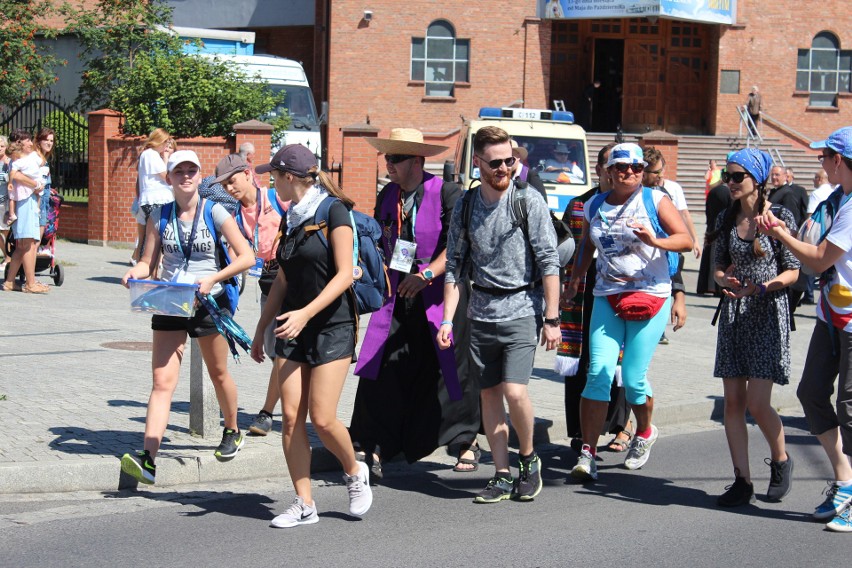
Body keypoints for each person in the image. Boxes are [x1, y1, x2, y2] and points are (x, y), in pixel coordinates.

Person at [250, 144, 372, 528]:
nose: (269, 181)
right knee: (290, 419)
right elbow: (283, 278)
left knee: (321, 417)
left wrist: (305, 314)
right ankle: (304, 503)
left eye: (273, 175)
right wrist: (260, 329)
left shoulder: (334, 211)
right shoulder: (291, 216)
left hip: (331, 325)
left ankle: (354, 470)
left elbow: (345, 273)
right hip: (292, 324)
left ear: (289, 177)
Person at [350, 128, 482, 478]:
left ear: (418, 161)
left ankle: (464, 439)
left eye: (395, 158)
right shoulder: (387, 194)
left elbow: (457, 247)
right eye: (387, 157)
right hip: (398, 294)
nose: (388, 164)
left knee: (450, 368)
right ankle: (373, 442)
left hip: (441, 293)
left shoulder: (448, 194)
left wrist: (425, 275)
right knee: (383, 362)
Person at [439, 125, 561, 503]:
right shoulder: (467, 204)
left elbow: (549, 260)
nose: (505, 168)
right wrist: (446, 319)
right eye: (495, 163)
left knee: (514, 391)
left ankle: (528, 459)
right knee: (489, 396)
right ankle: (502, 473)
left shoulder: (528, 202)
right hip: (480, 312)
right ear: (477, 163)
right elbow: (455, 265)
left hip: (523, 308)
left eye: (510, 161)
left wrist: (553, 319)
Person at [119, 150, 255, 485]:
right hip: (171, 301)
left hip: (209, 302)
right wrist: (134, 273)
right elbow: (147, 261)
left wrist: (214, 278)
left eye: (191, 170)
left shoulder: (215, 211)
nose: (186, 176)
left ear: (198, 175)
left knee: (219, 372)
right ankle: (148, 458)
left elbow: (247, 256)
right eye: (178, 171)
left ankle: (232, 430)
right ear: (169, 178)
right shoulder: (159, 216)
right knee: (162, 383)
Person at [564, 142, 691, 481]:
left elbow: (686, 240)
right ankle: (587, 453)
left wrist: (656, 241)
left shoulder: (655, 200)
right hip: (607, 295)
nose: (630, 173)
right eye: (622, 167)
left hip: (651, 296)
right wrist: (574, 281)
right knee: (598, 373)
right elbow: (586, 246)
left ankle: (645, 431)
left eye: (636, 167)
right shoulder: (593, 205)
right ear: (609, 171)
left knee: (633, 378)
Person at [755, 126, 852, 532]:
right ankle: (845, 480)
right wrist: (786, 232)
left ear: (840, 160)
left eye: (824, 156)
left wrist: (779, 234)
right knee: (811, 393)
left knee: (849, 407)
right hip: (833, 317)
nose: (821, 162)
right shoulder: (836, 199)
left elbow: (816, 261)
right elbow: (813, 249)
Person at [707, 148, 798, 507]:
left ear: (757, 180)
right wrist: (722, 277)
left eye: (736, 177)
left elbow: (793, 271)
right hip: (733, 314)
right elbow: (716, 268)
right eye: (726, 177)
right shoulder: (726, 218)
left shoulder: (779, 216)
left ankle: (781, 460)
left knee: (758, 405)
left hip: (765, 314)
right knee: (733, 401)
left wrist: (761, 287)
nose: (729, 183)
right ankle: (742, 481)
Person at [557, 143, 635, 453]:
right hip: (583, 294)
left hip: (622, 293)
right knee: (582, 361)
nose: (617, 173)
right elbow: (564, 247)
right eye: (611, 167)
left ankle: (620, 424)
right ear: (602, 170)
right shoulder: (579, 205)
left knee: (617, 360)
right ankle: (580, 430)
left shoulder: (634, 205)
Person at [213, 153, 289, 436]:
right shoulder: (234, 215)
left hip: (291, 278)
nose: (230, 188)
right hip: (268, 281)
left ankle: (267, 413)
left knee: (282, 349)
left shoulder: (276, 199)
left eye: (232, 181)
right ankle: (287, 398)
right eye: (224, 186)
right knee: (272, 349)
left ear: (247, 174)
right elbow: (237, 252)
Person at [642, 146, 695, 345]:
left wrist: (679, 296)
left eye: (661, 170)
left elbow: (673, 253)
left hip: (655, 284)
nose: (661, 175)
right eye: (656, 172)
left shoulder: (661, 197)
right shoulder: (618, 197)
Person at [3, 131, 48, 294]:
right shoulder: (17, 160)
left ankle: (9, 282)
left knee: (21, 246)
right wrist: (36, 184)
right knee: (28, 243)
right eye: (27, 141)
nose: (31, 143)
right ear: (19, 144)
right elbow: (18, 176)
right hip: (25, 201)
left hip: (25, 201)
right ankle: (30, 283)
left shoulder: (24, 158)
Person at [132, 128, 175, 270]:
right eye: (165, 142)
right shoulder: (152, 155)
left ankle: (149, 272)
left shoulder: (146, 155)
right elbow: (168, 178)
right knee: (156, 240)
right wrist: (167, 158)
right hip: (157, 200)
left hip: (148, 200)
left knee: (147, 239)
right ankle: (150, 273)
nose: (166, 146)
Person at [769, 165, 809, 311]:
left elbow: (791, 221)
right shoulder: (775, 192)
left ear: (786, 176)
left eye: (777, 175)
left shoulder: (787, 194)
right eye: (772, 175)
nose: (774, 177)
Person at [697, 176, 733, 296]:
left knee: (709, 257)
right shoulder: (729, 192)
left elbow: (707, 210)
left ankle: (706, 286)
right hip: (724, 227)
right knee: (719, 257)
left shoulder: (713, 191)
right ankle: (718, 287)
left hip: (712, 225)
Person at [35, 128, 55, 241]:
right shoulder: (36, 158)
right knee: (36, 237)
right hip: (39, 198)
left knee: (39, 235)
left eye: (51, 141)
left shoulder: (43, 157)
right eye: (46, 140)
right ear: (39, 141)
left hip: (45, 197)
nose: (49, 143)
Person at [0, 135, 10, 266]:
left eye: (1, 146)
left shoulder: (9, 163)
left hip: (6, 202)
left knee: (6, 231)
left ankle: (9, 257)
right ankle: (5, 254)